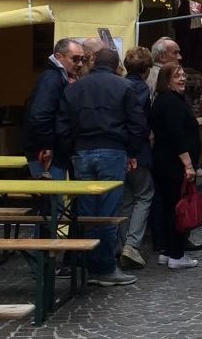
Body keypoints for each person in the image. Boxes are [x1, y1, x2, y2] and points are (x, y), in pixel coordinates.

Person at [56, 48, 147, 286]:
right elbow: (138, 124)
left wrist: (72, 149)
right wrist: (132, 151)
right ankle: (105, 267)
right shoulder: (124, 87)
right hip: (113, 151)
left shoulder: (74, 88)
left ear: (93, 62)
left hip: (82, 152)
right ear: (118, 65)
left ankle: (90, 263)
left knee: (87, 212)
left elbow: (63, 125)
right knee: (108, 212)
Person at [150, 63, 202, 269]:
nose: (182, 79)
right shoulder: (170, 102)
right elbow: (176, 135)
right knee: (177, 208)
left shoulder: (164, 100)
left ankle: (166, 250)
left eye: (183, 75)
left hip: (164, 162)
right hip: (173, 164)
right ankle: (176, 254)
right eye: (177, 76)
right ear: (167, 80)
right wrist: (188, 164)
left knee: (167, 207)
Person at [24, 38, 84, 181]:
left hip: (51, 148)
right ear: (59, 57)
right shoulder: (52, 79)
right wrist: (47, 146)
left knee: (53, 198)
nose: (80, 64)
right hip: (46, 151)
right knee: (52, 199)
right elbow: (40, 115)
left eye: (82, 59)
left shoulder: (58, 77)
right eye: (75, 59)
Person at [118, 46, 156, 269]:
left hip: (120, 149)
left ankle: (124, 243)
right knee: (144, 195)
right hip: (137, 151)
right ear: (147, 69)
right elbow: (139, 123)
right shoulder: (140, 88)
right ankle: (131, 245)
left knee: (125, 199)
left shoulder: (119, 84)